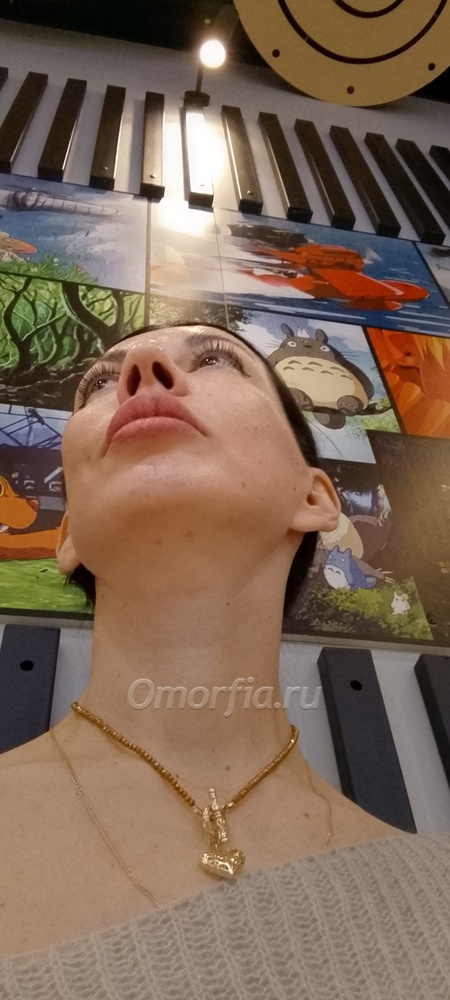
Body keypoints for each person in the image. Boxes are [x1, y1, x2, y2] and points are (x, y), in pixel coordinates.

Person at [0, 323, 449, 998]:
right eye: (98, 383)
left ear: (314, 498)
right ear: (68, 538)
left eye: (215, 360)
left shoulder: (435, 898)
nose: (143, 366)